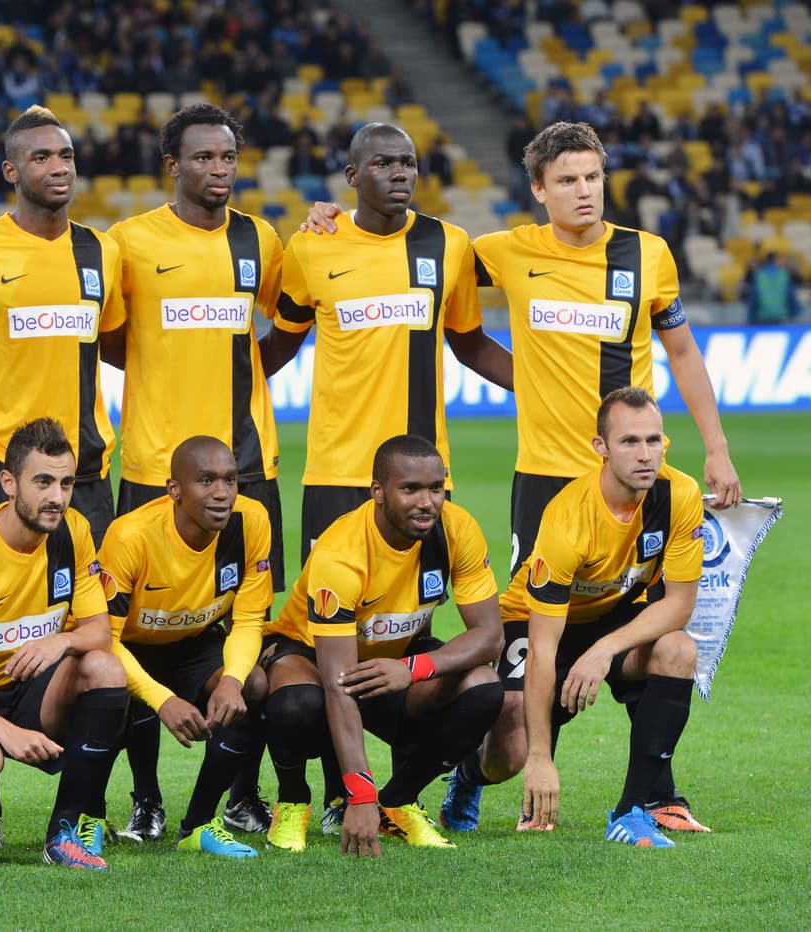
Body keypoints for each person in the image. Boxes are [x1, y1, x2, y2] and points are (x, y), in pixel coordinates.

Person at [438, 121, 739, 835]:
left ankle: (649, 797)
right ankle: (483, 770)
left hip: (634, 484)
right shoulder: (507, 252)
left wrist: (716, 447)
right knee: (514, 713)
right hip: (547, 485)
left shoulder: (646, 254)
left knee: (671, 642)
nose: (583, 191)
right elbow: (444, 300)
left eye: (593, 177)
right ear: (539, 189)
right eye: (567, 180)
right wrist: (530, 386)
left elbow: (686, 355)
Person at [99, 103, 284, 839]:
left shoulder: (260, 239)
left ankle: (241, 792)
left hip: (245, 464)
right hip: (152, 466)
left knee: (247, 633)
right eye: (204, 158)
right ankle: (145, 796)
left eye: (229, 157)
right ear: (173, 165)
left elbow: (291, 319)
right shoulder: (129, 243)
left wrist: (242, 381)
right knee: (135, 634)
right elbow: (107, 336)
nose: (219, 170)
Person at [267, 123, 512, 570]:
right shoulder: (311, 246)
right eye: (383, 163)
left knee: (414, 617)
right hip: (337, 471)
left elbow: (471, 345)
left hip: (421, 475)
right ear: (353, 175)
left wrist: (545, 386)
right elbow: (279, 345)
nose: (399, 173)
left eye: (408, 163)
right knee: (328, 618)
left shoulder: (449, 245)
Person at [261, 435, 504, 855]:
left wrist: (412, 669)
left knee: (483, 688)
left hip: (395, 663)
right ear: (378, 492)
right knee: (296, 706)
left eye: (435, 488)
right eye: (410, 489)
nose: (426, 501)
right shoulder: (340, 553)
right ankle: (294, 799)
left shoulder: (457, 529)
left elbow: (490, 635)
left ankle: (399, 801)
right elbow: (339, 684)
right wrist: (359, 794)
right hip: (317, 661)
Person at [500, 387, 704, 847]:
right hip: (537, 620)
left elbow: (679, 604)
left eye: (654, 441)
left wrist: (604, 649)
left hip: (611, 617)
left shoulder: (680, 495)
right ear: (602, 448)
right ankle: (470, 779)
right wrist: (538, 756)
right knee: (509, 749)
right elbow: (544, 648)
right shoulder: (567, 520)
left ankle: (631, 812)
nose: (645, 454)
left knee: (678, 650)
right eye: (630, 442)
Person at [0, 418, 128, 870]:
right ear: (8, 483)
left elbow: (99, 630)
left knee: (105, 669)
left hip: (31, 691)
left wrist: (61, 642)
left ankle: (62, 832)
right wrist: (5, 733)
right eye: (43, 482)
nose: (57, 497)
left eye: (65, 482)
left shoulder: (73, 531)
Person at [0, 105, 122, 543]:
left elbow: (111, 340)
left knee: (94, 610)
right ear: (11, 171)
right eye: (42, 157)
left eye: (66, 156)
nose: (59, 167)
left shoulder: (102, 252)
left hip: (85, 472)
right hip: (2, 468)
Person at [99, 436, 273, 859]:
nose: (222, 492)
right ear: (174, 489)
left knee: (253, 685)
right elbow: (105, 639)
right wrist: (162, 700)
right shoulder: (130, 537)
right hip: (131, 646)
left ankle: (199, 823)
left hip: (195, 644)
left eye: (230, 480)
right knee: (109, 690)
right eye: (206, 480)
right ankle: (137, 806)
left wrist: (230, 681)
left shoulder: (252, 523)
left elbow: (249, 620)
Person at [745, 251, 802, 324]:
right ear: (776, 260)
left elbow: (753, 297)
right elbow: (791, 296)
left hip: (762, 316)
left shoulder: (759, 275)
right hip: (781, 315)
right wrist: (795, 313)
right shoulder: (784, 275)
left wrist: (750, 317)